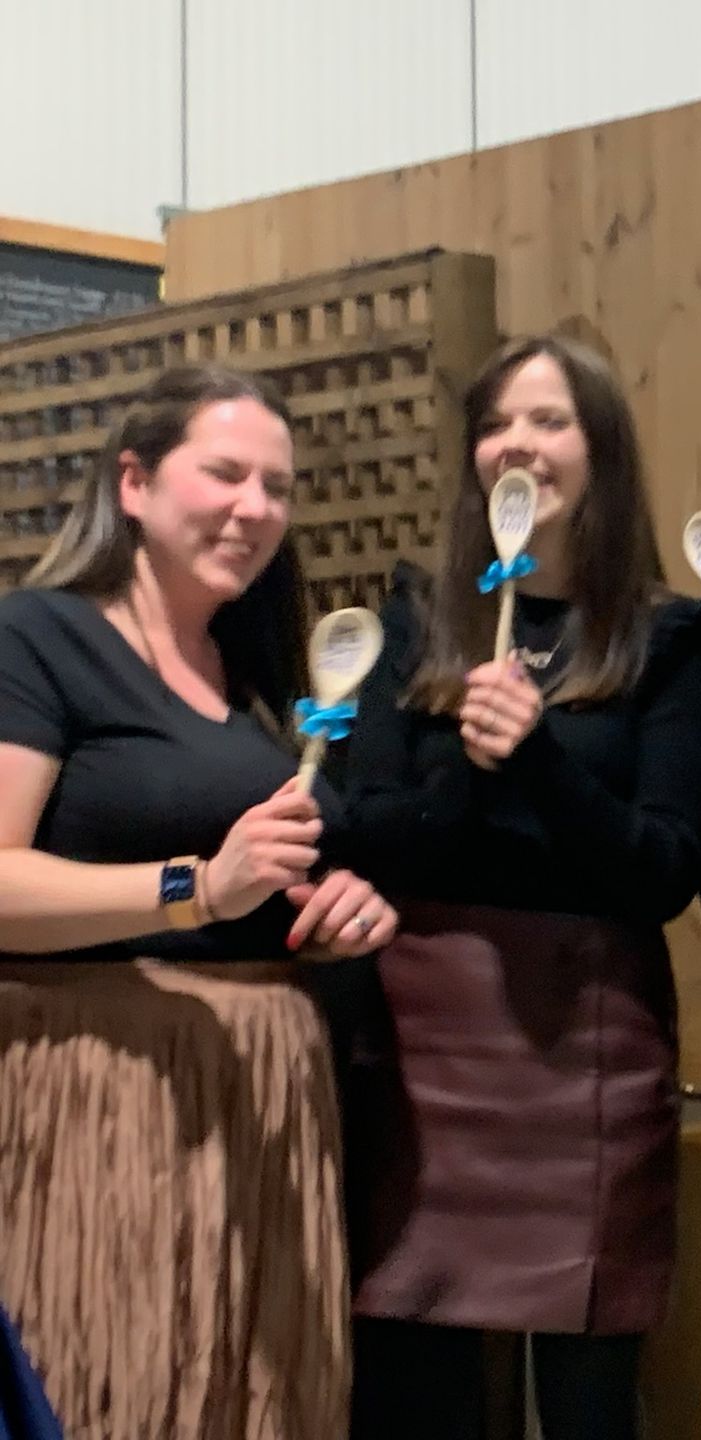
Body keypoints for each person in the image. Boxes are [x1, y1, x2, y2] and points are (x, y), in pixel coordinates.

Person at [0, 363, 397, 1437]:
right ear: (133, 483)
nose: (254, 507)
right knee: (110, 1387)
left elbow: (260, 880)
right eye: (225, 473)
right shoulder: (39, 636)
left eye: (277, 486)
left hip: (264, 1103)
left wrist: (327, 913)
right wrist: (196, 888)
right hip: (102, 1097)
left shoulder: (257, 672)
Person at [343, 334, 701, 1440]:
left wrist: (540, 759)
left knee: (588, 1397)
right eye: (496, 423)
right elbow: (373, 835)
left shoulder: (671, 639)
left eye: (548, 421)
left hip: (589, 1044)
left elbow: (662, 872)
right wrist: (470, 770)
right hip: (421, 1044)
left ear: (601, 450)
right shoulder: (420, 621)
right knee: (418, 1389)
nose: (517, 443)